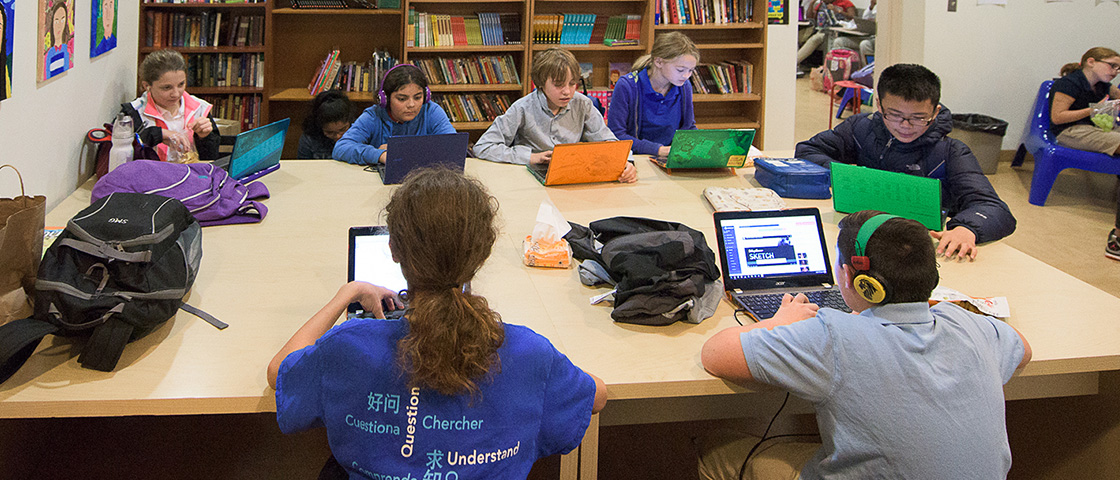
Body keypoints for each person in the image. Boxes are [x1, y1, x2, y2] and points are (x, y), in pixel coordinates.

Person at [267, 168, 607, 480]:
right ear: (483, 254)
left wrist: (348, 293)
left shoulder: (348, 346)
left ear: (394, 249)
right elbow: (596, 397)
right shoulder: (527, 353)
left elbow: (280, 371)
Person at [699, 210, 1031, 479]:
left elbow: (715, 354)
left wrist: (779, 321)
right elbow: (1024, 350)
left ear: (852, 278)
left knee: (718, 453)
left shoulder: (834, 336)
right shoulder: (973, 327)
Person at [795, 63, 1016, 261]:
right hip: (863, 237)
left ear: (935, 111)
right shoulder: (861, 129)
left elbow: (994, 208)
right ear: (879, 105)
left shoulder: (951, 152)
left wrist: (966, 229)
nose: (906, 125)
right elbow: (808, 149)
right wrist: (844, 177)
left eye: (919, 117)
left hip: (919, 251)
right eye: (895, 114)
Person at [474, 47, 639, 183]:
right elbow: (483, 147)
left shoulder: (583, 104)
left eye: (572, 84)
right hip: (531, 179)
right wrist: (531, 157)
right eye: (558, 85)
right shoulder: (522, 108)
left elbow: (609, 143)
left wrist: (627, 163)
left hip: (572, 177)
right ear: (540, 84)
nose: (567, 91)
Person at [1049, 47, 1120, 261]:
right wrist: (1093, 110)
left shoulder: (1103, 86)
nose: (1116, 71)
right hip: (1070, 132)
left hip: (1096, 129)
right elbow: (1057, 118)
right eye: (1112, 65)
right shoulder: (1069, 84)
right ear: (1091, 62)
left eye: (1119, 67)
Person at [332, 64, 456, 165]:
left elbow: (453, 147)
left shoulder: (431, 111)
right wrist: (379, 155)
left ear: (426, 96)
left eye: (418, 97)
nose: (411, 105)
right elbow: (341, 148)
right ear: (385, 99)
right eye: (402, 99)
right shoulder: (373, 116)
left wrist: (402, 150)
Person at [607, 32, 698, 157]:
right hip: (637, 156)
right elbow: (616, 135)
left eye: (691, 70)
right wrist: (658, 150)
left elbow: (688, 127)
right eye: (680, 70)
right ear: (659, 62)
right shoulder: (627, 86)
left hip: (672, 156)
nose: (686, 75)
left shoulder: (684, 86)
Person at [122, 49, 220, 162]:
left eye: (181, 84)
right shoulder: (133, 112)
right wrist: (158, 134)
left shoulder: (199, 108)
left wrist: (205, 137)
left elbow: (211, 158)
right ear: (147, 86)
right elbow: (125, 158)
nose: (176, 93)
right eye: (167, 87)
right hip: (152, 177)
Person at [796, 0, 856, 66]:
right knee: (799, 35)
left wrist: (838, 11)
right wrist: (811, 4)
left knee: (815, 39)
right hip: (823, 29)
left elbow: (853, 17)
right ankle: (797, 62)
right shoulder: (822, 4)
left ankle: (794, 62)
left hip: (840, 32)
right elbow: (810, 17)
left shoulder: (845, 2)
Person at [298, 90, 354, 159]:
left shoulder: (360, 132)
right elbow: (303, 166)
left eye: (343, 129)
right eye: (329, 132)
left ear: (350, 121)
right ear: (320, 127)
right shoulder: (309, 138)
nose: (338, 136)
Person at [43, 1, 72, 79]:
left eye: (62, 20)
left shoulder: (66, 50)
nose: (59, 25)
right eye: (56, 21)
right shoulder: (49, 54)